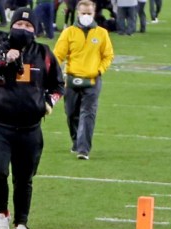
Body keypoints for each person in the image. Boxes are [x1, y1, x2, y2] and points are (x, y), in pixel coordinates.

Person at [0, 7, 63, 229]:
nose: (23, 30)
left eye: (28, 26)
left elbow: (58, 85)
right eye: (19, 26)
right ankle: (1, 213)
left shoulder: (43, 53)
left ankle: (22, 223)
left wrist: (48, 103)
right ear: (11, 26)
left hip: (30, 128)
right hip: (0, 125)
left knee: (24, 178)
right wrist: (1, 60)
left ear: (35, 29)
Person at [53, 0, 113, 161]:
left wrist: (99, 70)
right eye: (83, 13)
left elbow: (108, 55)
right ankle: (76, 141)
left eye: (89, 13)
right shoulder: (68, 33)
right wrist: (54, 72)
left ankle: (83, 149)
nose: (86, 16)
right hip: (72, 79)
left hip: (93, 80)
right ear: (77, 13)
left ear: (94, 13)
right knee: (71, 113)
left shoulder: (101, 33)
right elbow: (58, 55)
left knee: (88, 113)